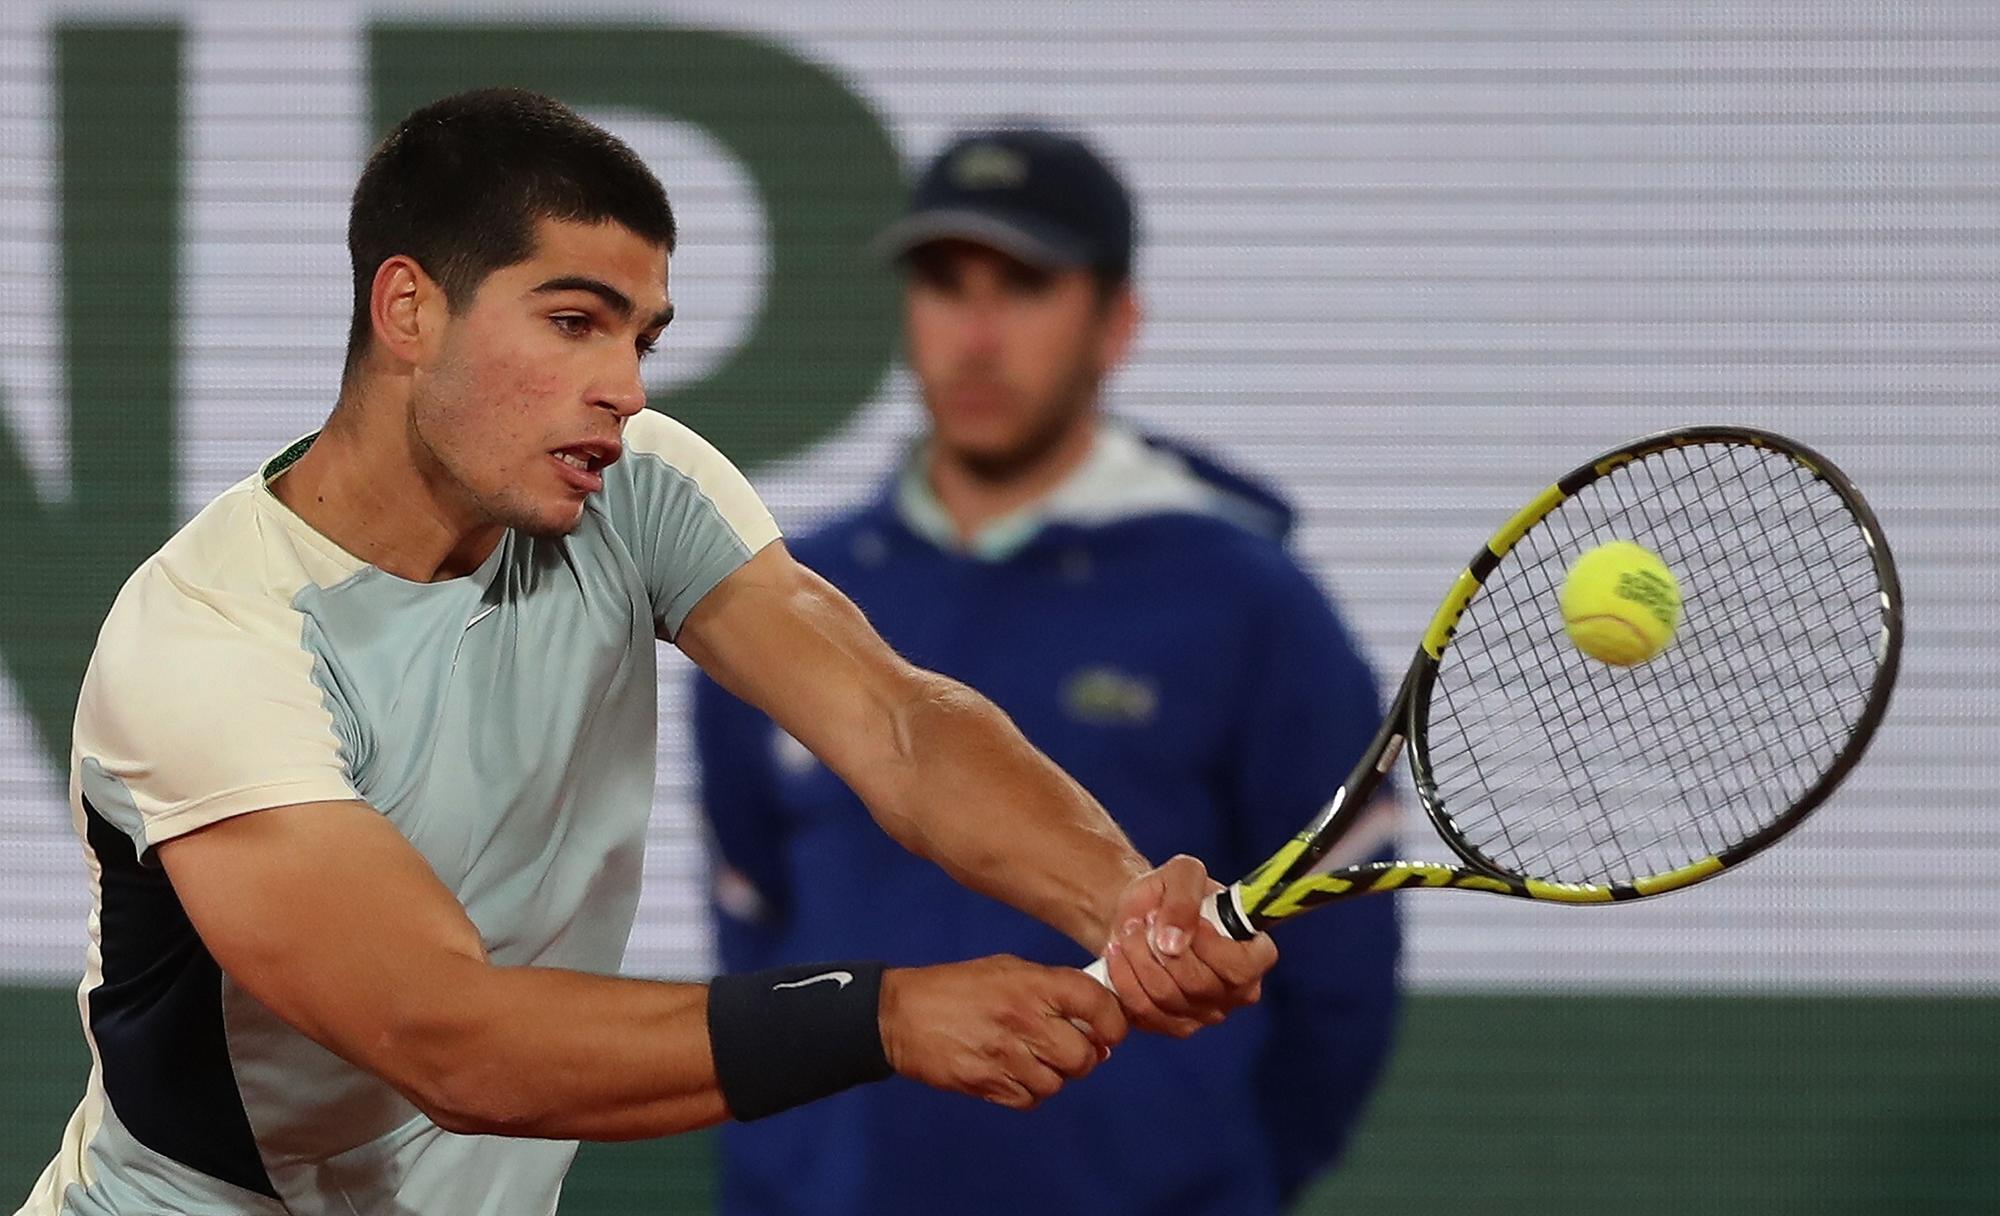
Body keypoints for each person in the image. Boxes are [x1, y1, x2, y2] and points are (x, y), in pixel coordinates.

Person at [14, 91, 1278, 1216]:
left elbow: (895, 725)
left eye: (641, 337)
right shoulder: (209, 643)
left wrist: (1120, 901)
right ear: (408, 309)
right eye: (574, 321)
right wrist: (880, 1014)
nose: (622, 384)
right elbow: (447, 1041)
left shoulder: (637, 487)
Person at [695, 124, 1404, 1216]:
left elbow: (1336, 967)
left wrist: (1211, 1179)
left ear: (1115, 320)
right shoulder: (789, 598)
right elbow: (756, 928)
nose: (974, 335)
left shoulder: (1248, 600)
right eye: (942, 284)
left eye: (1022, 285)